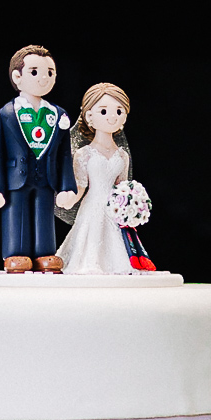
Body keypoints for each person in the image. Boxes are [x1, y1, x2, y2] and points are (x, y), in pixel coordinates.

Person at [0, 46, 79, 273]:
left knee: (44, 216)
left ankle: (44, 253)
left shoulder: (58, 115)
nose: (44, 78)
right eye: (35, 72)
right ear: (17, 77)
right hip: (15, 179)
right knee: (16, 215)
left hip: (46, 178)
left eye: (50, 72)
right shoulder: (4, 114)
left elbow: (64, 155)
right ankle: (15, 254)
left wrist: (68, 186)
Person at [56, 82, 137, 275]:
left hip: (113, 209)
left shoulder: (122, 156)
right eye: (104, 111)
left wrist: (131, 206)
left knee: (117, 250)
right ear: (89, 117)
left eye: (118, 111)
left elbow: (122, 187)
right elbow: (81, 186)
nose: (112, 116)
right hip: (92, 206)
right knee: (89, 242)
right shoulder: (85, 154)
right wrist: (68, 200)